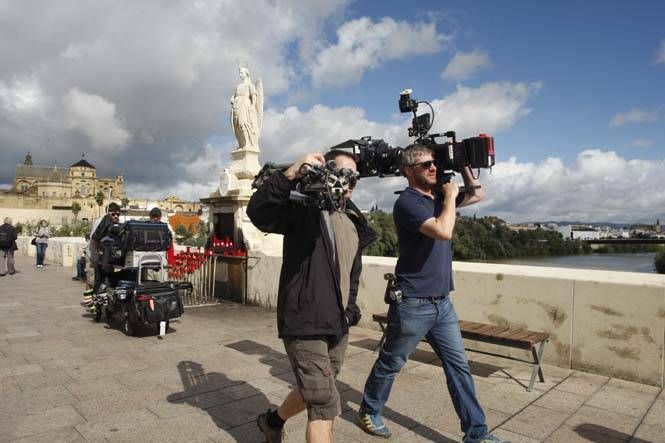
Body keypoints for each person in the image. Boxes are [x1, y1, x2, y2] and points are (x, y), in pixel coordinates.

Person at [356, 145, 508, 443]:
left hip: (442, 303)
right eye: (426, 165)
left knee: (459, 367)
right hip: (413, 302)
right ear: (408, 171)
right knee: (392, 362)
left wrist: (463, 165)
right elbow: (443, 230)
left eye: (435, 163)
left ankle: (476, 433)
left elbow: (478, 195)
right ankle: (369, 410)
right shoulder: (408, 203)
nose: (433, 168)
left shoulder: (438, 198)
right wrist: (450, 197)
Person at [247, 150, 376, 443]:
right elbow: (258, 211)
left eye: (355, 176)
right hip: (305, 321)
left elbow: (350, 274)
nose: (350, 181)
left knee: (316, 389)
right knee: (324, 404)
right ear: (326, 172)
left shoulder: (354, 220)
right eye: (344, 173)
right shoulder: (304, 207)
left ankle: (272, 421)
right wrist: (292, 173)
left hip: (338, 323)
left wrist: (351, 308)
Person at [83, 203, 121, 306]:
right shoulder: (100, 222)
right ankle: (89, 302)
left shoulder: (117, 223)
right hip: (93, 255)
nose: (116, 216)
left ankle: (99, 301)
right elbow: (94, 240)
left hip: (104, 257)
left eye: (118, 214)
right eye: (113, 214)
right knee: (91, 279)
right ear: (108, 213)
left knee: (102, 281)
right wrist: (97, 254)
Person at [230, 67, 263, 152]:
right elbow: (234, 95)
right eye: (240, 73)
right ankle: (242, 144)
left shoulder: (249, 85)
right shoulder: (238, 86)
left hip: (244, 104)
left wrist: (252, 105)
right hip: (236, 106)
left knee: (243, 123)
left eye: (242, 73)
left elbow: (254, 95)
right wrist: (233, 99)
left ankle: (248, 143)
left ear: (246, 74)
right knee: (236, 125)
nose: (240, 75)